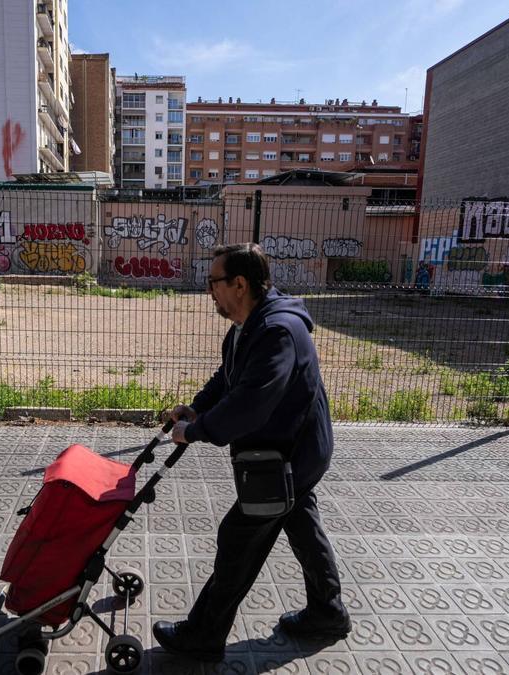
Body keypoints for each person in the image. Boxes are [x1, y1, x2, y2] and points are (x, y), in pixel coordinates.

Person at [152, 242, 349, 661]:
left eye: (214, 282)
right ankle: (328, 612)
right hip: (291, 452)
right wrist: (197, 407)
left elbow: (250, 403)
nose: (209, 291)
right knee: (302, 526)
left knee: (240, 538)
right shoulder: (248, 325)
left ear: (239, 284)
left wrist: (197, 431)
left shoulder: (277, 331)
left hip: (290, 458)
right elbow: (228, 378)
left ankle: (204, 635)